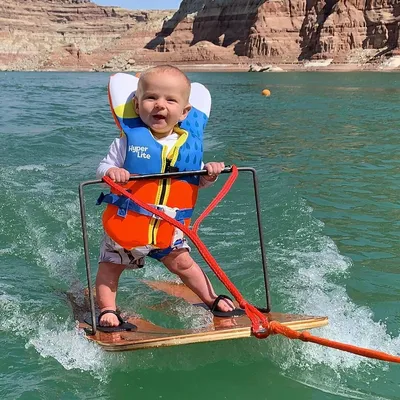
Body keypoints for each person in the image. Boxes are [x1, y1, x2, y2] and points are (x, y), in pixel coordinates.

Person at [95, 65, 235, 328]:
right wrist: (113, 171)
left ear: (184, 112)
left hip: (168, 228)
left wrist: (210, 174)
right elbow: (102, 168)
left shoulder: (188, 148)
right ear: (137, 106)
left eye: (170, 100)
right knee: (110, 268)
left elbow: (196, 182)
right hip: (128, 224)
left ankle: (210, 298)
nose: (160, 105)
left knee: (184, 264)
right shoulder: (125, 142)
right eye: (151, 98)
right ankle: (108, 310)